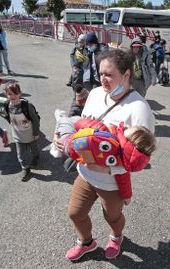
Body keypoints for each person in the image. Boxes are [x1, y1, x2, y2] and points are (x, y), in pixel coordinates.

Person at [55, 49, 155, 261]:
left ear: (126, 74)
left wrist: (108, 168)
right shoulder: (95, 94)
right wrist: (63, 140)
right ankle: (87, 243)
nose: (103, 79)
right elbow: (82, 128)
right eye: (100, 73)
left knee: (112, 216)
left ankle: (116, 237)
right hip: (85, 173)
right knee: (75, 213)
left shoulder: (139, 110)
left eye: (109, 74)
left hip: (112, 183)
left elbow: (141, 160)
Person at [52, 111, 156, 204]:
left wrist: (75, 124)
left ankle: (61, 117)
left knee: (67, 121)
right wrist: (127, 196)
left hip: (69, 142)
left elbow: (82, 123)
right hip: (77, 155)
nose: (124, 127)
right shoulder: (120, 162)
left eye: (127, 129)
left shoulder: (106, 131)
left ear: (130, 139)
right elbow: (124, 179)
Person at [0, 82, 40, 181]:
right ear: (6, 94)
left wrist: (36, 132)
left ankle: (36, 158)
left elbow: (35, 119)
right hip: (18, 135)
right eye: (10, 94)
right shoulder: (7, 105)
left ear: (20, 93)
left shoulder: (26, 106)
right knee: (21, 154)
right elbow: (5, 114)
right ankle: (25, 168)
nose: (13, 96)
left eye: (15, 93)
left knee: (34, 149)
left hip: (30, 134)